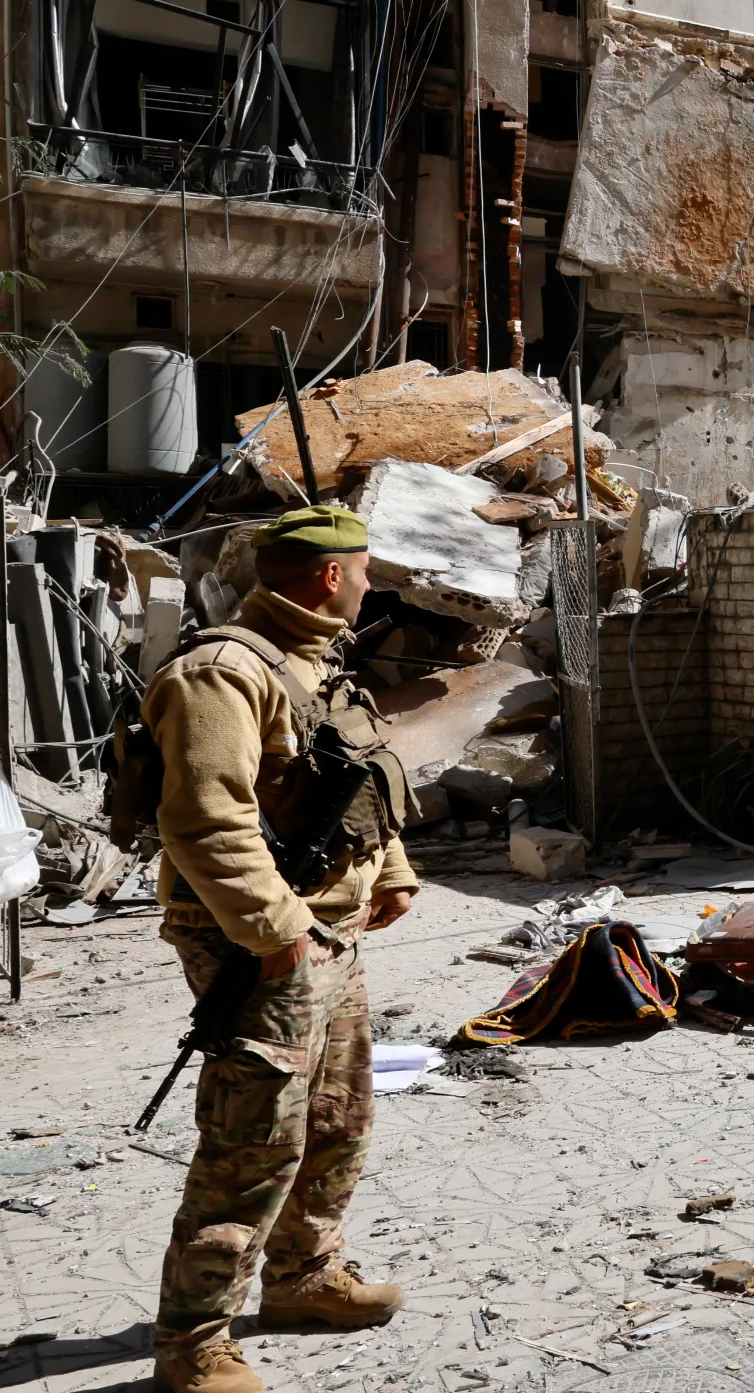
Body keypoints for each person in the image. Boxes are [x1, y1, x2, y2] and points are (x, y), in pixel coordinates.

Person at [148, 506, 419, 1393]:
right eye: (365, 571)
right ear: (331, 575)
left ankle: (305, 1275)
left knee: (338, 1118)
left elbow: (356, 778)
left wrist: (390, 871)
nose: (371, 586)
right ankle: (194, 1340)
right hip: (261, 940)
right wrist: (273, 931)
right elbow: (204, 817)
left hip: (327, 929)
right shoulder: (221, 672)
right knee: (254, 1141)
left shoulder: (318, 661)